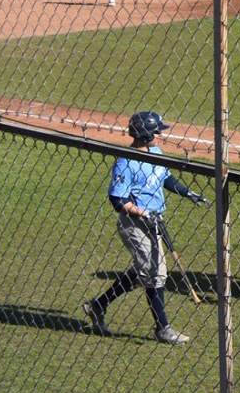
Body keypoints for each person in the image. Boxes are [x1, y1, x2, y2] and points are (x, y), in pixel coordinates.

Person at [83, 111, 206, 345]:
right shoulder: (126, 162)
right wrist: (143, 213)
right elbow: (117, 199)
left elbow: (165, 177)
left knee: (146, 271)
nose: (159, 134)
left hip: (154, 221)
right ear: (146, 134)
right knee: (155, 273)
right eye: (156, 131)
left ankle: (98, 305)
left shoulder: (156, 153)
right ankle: (163, 329)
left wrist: (187, 192)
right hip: (134, 224)